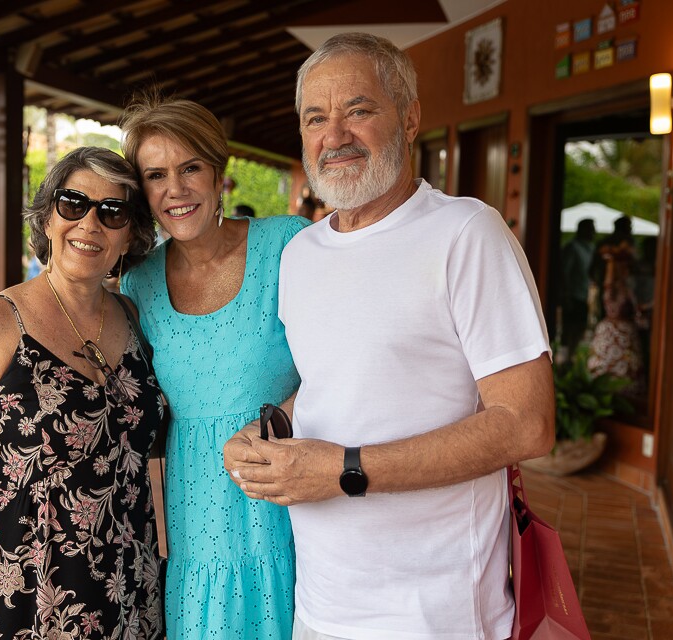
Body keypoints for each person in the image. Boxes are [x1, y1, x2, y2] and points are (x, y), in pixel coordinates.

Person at [223, 33, 554, 640]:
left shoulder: (466, 233)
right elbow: (335, 384)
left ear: (410, 118)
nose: (335, 135)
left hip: (438, 613)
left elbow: (526, 423)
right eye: (315, 118)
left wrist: (347, 471)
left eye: (358, 109)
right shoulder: (301, 253)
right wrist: (268, 431)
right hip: (321, 602)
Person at [0, 147, 163, 640]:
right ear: (48, 217)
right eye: (73, 203)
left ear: (130, 234)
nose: (90, 223)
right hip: (27, 593)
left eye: (111, 211)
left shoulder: (133, 319)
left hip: (129, 585)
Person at [119, 94, 309, 639]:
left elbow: (342, 365)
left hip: (290, 511)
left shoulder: (287, 245)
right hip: (194, 529)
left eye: (190, 168)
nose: (175, 190)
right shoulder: (139, 284)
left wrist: (279, 419)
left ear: (219, 173)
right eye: (156, 175)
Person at [588, 241, 646, 400]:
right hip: (614, 331)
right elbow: (609, 291)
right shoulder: (612, 286)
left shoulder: (627, 286)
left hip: (625, 331)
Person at [561, 218, 596, 353]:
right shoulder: (572, 247)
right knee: (569, 328)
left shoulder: (591, 248)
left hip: (584, 293)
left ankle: (573, 356)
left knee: (580, 327)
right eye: (591, 228)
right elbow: (565, 272)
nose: (593, 232)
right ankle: (564, 359)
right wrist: (566, 295)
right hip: (573, 294)